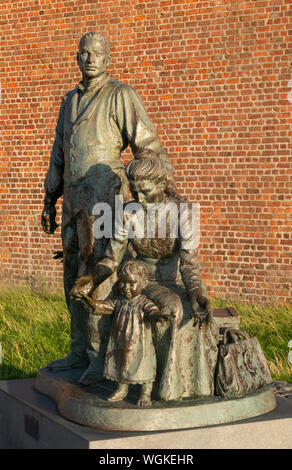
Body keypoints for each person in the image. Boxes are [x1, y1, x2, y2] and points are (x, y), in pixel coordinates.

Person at [41, 32, 176, 383]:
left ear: (107, 59)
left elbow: (147, 144)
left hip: (104, 197)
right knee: (72, 273)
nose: (89, 59)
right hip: (73, 199)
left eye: (96, 54)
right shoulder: (68, 101)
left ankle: (99, 358)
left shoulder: (120, 95)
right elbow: (60, 152)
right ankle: (76, 350)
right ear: (77, 57)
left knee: (100, 276)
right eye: (83, 53)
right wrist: (49, 198)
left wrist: (157, 188)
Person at [72, 156, 219, 400]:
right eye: (135, 191)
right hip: (137, 280)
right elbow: (111, 259)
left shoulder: (184, 212)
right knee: (103, 304)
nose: (139, 199)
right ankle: (108, 371)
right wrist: (91, 279)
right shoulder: (129, 213)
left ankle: (167, 388)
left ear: (162, 184)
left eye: (145, 192)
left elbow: (189, 263)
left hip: (174, 281)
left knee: (173, 310)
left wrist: (195, 294)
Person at [79, 260, 173, 406]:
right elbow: (103, 307)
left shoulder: (143, 302)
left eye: (131, 283)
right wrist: (88, 301)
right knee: (121, 362)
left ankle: (145, 392)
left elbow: (152, 311)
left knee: (144, 365)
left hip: (140, 344)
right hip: (120, 342)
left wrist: (158, 316)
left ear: (143, 283)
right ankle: (121, 389)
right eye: (122, 282)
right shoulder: (118, 301)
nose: (125, 287)